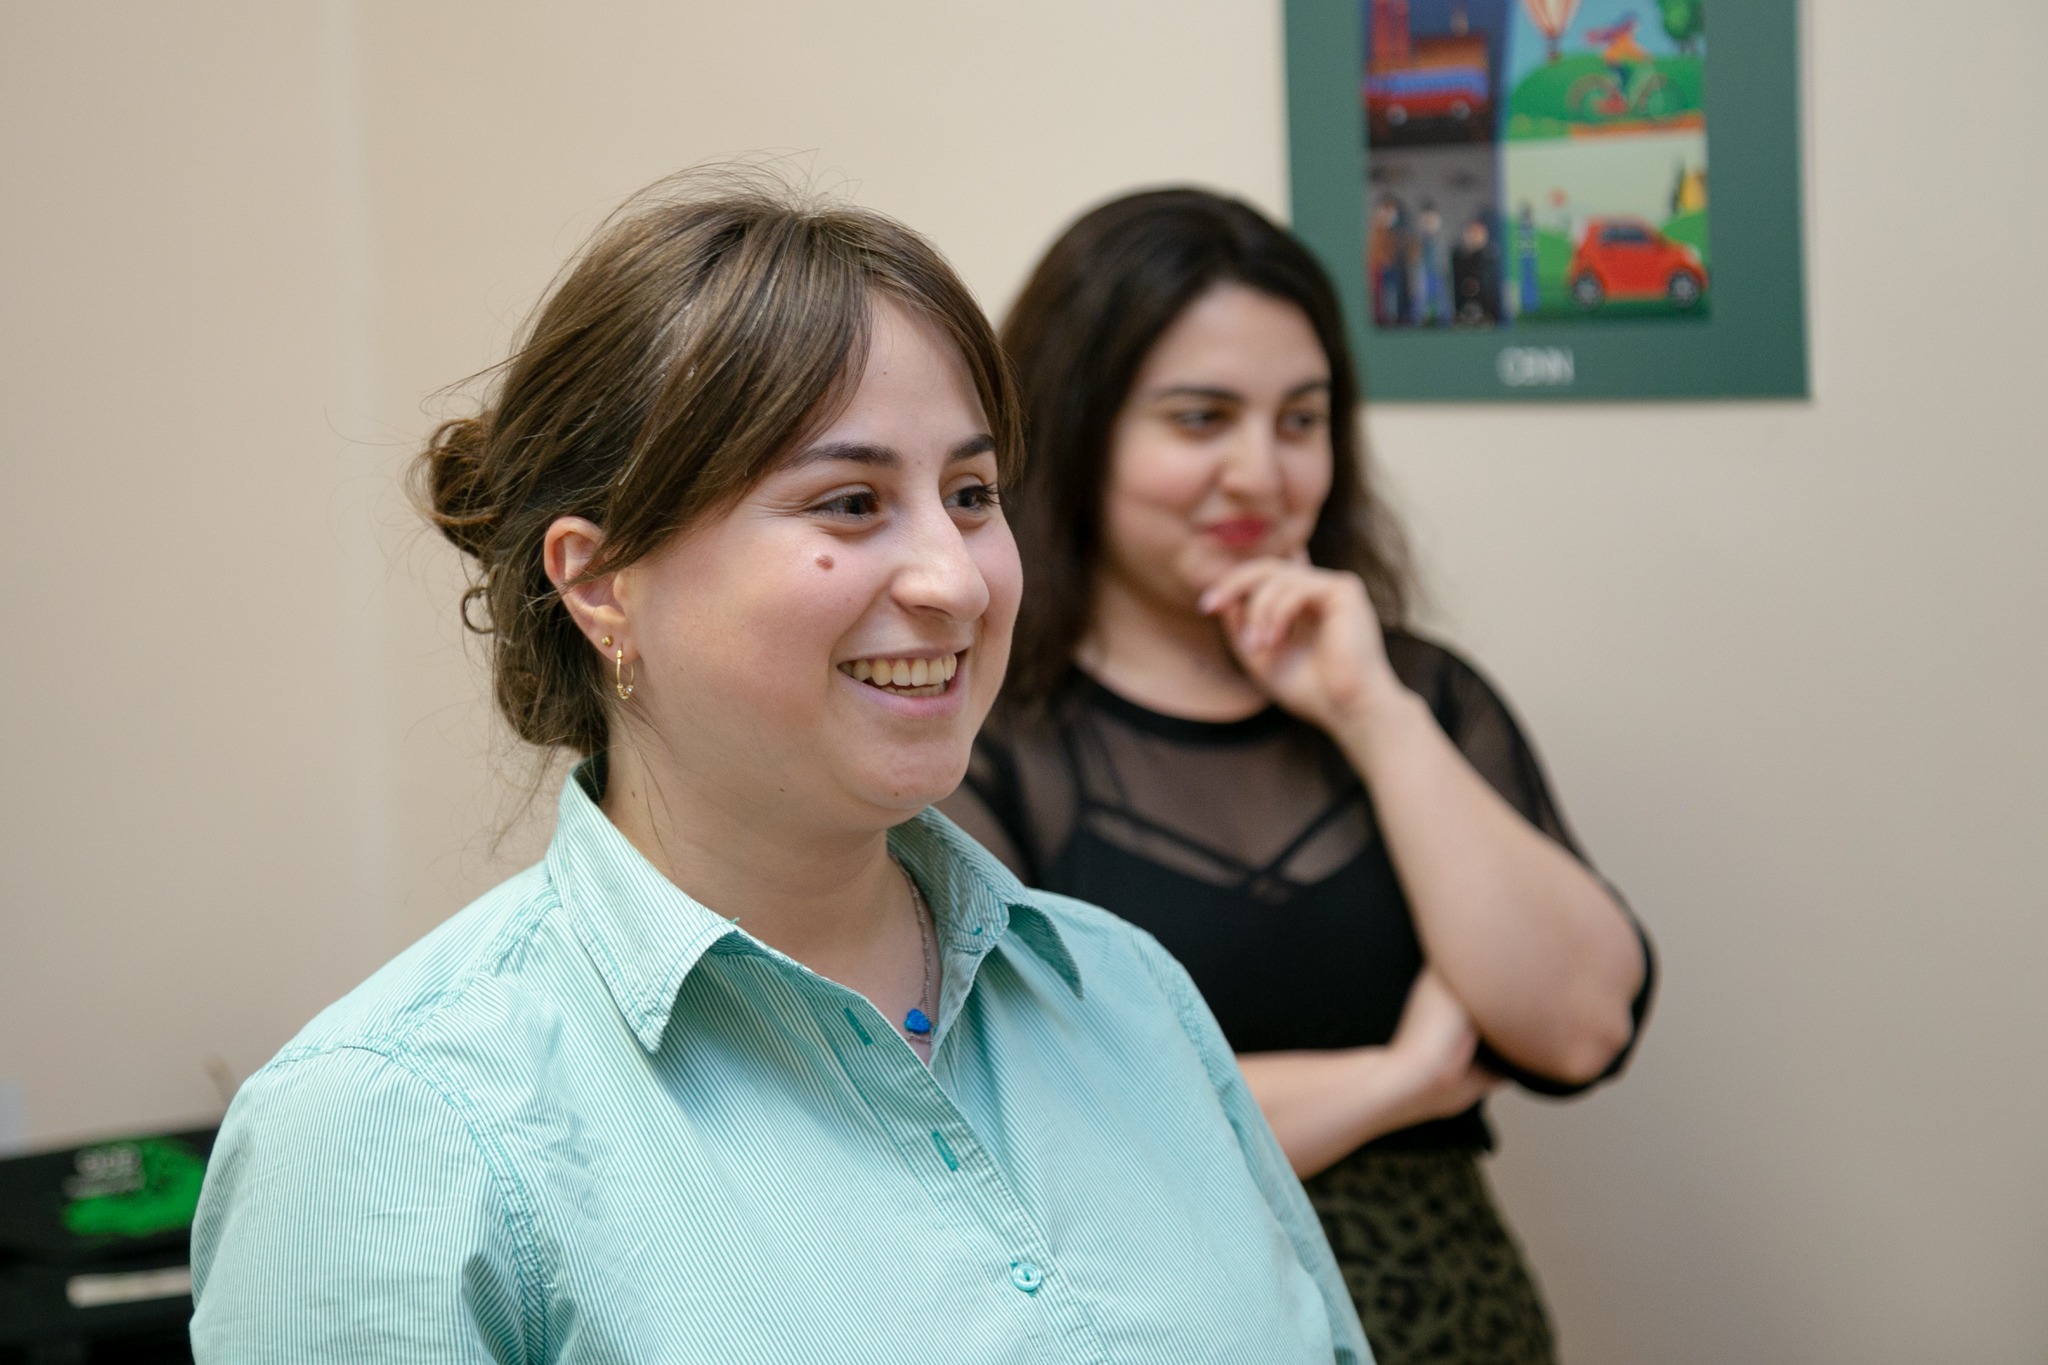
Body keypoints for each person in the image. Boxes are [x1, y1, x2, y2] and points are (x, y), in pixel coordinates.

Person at [187, 173, 1371, 1364]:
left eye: (970, 495)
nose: (956, 580)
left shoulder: (1125, 996)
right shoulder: (392, 1124)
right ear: (598, 583)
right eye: (850, 503)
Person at [941, 188, 1655, 1365]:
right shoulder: (980, 736)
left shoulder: (1418, 694)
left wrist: (1368, 712)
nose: (1259, 474)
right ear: (1077, 430)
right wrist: (1400, 1080)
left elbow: (1578, 1026)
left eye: (1300, 420)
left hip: (1457, 1322)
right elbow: (1036, 1129)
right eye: (1199, 418)